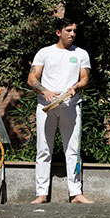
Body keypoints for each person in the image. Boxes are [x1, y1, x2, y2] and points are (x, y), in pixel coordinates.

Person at [27, 17, 93, 204]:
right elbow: (32, 78)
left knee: (73, 151)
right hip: (46, 107)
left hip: (71, 107)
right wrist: (44, 90)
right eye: (68, 31)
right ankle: (41, 194)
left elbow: (85, 78)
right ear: (58, 32)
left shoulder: (81, 53)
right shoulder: (44, 53)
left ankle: (75, 193)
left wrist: (76, 87)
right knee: (43, 150)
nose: (72, 34)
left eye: (74, 31)